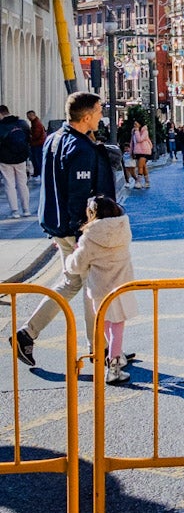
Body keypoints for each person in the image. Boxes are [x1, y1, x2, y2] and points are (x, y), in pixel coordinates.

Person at [9, 92, 116, 367]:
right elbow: (78, 196)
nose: (102, 114)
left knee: (71, 282)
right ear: (87, 116)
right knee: (92, 288)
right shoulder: (80, 149)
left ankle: (26, 334)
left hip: (55, 224)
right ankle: (99, 350)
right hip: (74, 229)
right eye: (99, 110)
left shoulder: (55, 138)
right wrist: (83, 234)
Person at [63, 195, 138, 384]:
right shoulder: (123, 229)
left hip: (100, 288)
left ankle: (114, 363)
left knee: (105, 323)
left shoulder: (89, 238)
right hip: (122, 286)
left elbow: (76, 265)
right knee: (117, 326)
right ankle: (115, 362)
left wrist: (74, 251)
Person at [0, 104, 33, 217]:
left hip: (5, 159)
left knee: (9, 184)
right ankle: (26, 209)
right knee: (22, 184)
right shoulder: (22, 123)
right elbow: (29, 138)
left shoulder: (1, 125)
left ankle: (15, 211)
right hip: (21, 158)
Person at [130, 117, 153, 189]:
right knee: (143, 167)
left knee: (140, 166)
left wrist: (137, 131)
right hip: (137, 151)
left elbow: (139, 139)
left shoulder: (145, 131)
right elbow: (132, 142)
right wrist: (131, 151)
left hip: (144, 150)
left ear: (140, 124)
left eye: (136, 124)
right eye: (134, 124)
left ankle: (138, 182)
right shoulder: (133, 131)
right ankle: (147, 182)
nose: (135, 125)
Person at [26, 109, 46, 181]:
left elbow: (36, 135)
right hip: (38, 144)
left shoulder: (36, 123)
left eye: (28, 116)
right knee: (36, 160)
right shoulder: (35, 122)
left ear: (32, 115)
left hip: (38, 144)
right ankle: (37, 174)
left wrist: (30, 137)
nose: (28, 118)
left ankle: (39, 174)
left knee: (37, 160)